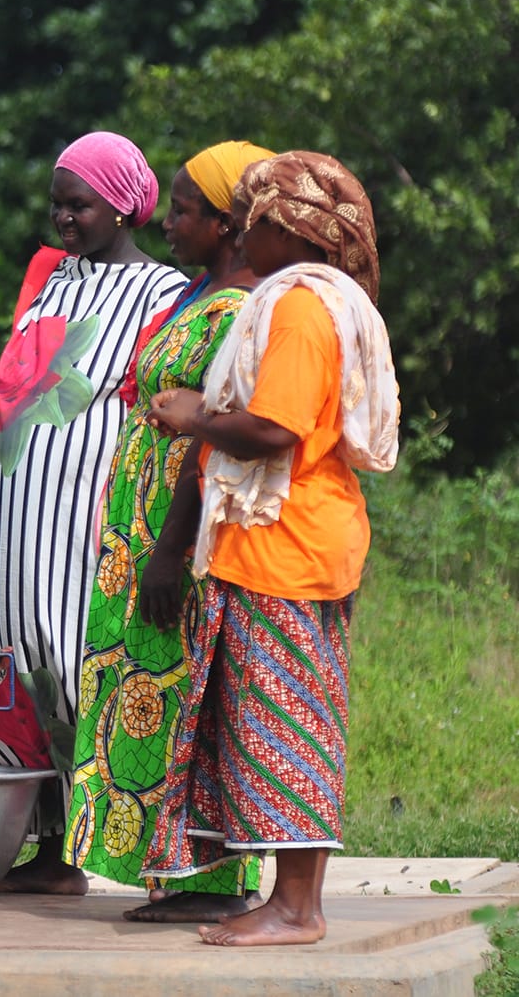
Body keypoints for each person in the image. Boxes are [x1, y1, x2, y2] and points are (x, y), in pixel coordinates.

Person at [141, 151, 398, 946]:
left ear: (288, 229)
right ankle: (289, 903)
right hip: (291, 540)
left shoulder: (298, 310)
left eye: (251, 220)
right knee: (280, 721)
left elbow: (274, 429)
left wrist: (193, 416)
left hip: (285, 545)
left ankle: (296, 909)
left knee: (285, 728)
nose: (241, 235)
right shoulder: (320, 300)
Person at [64, 140, 274, 920]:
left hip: (179, 534)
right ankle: (167, 872)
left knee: (183, 693)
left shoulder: (244, 310)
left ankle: (206, 882)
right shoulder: (195, 294)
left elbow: (209, 437)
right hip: (139, 529)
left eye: (184, 211)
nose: (169, 221)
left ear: (229, 224)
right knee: (140, 689)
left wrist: (169, 549)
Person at [0, 131, 187, 895]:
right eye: (58, 204)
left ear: (126, 207)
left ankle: (124, 844)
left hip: (89, 516)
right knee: (23, 668)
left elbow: (160, 410)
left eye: (81, 205)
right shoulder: (46, 277)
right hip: (20, 513)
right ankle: (54, 848)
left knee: (82, 664)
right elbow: (19, 398)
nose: (65, 218)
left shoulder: (163, 292)